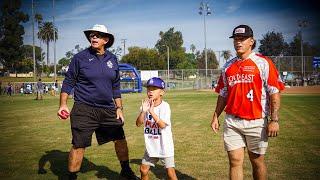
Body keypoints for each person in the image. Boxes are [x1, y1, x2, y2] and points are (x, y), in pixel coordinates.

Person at [57, 24, 137, 180]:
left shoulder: (112, 59)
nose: (93, 37)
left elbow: (115, 86)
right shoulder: (79, 58)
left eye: (98, 35)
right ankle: (71, 177)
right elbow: (68, 82)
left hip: (108, 109)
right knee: (79, 144)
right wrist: (63, 104)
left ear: (105, 40)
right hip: (84, 109)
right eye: (92, 35)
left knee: (120, 139)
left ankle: (126, 171)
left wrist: (119, 108)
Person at [210, 25, 285, 180]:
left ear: (251, 41)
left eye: (242, 39)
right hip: (232, 121)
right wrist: (216, 115)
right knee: (235, 161)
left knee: (257, 161)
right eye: (236, 39)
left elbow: (274, 93)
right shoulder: (227, 66)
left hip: (256, 121)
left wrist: (274, 120)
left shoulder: (263, 63)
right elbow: (223, 94)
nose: (238, 42)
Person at [136, 77, 177, 180]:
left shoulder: (165, 106)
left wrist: (152, 112)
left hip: (165, 146)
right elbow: (138, 123)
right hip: (151, 146)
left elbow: (163, 125)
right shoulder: (145, 105)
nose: (150, 91)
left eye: (154, 89)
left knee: (170, 173)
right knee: (143, 170)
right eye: (148, 88)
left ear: (162, 92)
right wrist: (143, 111)